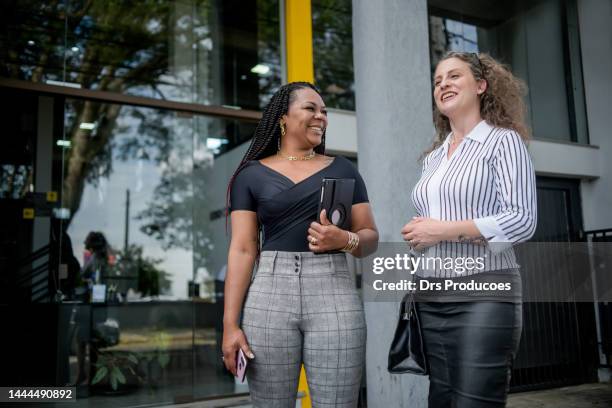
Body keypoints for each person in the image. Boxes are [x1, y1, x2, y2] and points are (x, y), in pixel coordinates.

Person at [223, 82, 378, 407]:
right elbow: (242, 249)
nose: (321, 116)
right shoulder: (250, 176)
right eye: (311, 108)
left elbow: (369, 237)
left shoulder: (343, 169)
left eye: (324, 111)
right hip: (269, 296)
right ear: (283, 118)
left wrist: (344, 239)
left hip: (334, 293)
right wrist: (230, 326)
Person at [401, 52, 537, 407]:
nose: (443, 83)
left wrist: (442, 231)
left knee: (475, 401)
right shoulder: (434, 159)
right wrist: (420, 235)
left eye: (454, 76)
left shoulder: (503, 142)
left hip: (485, 291)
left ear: (480, 85)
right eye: (437, 80)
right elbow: (436, 222)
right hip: (431, 292)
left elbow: (522, 219)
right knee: (442, 399)